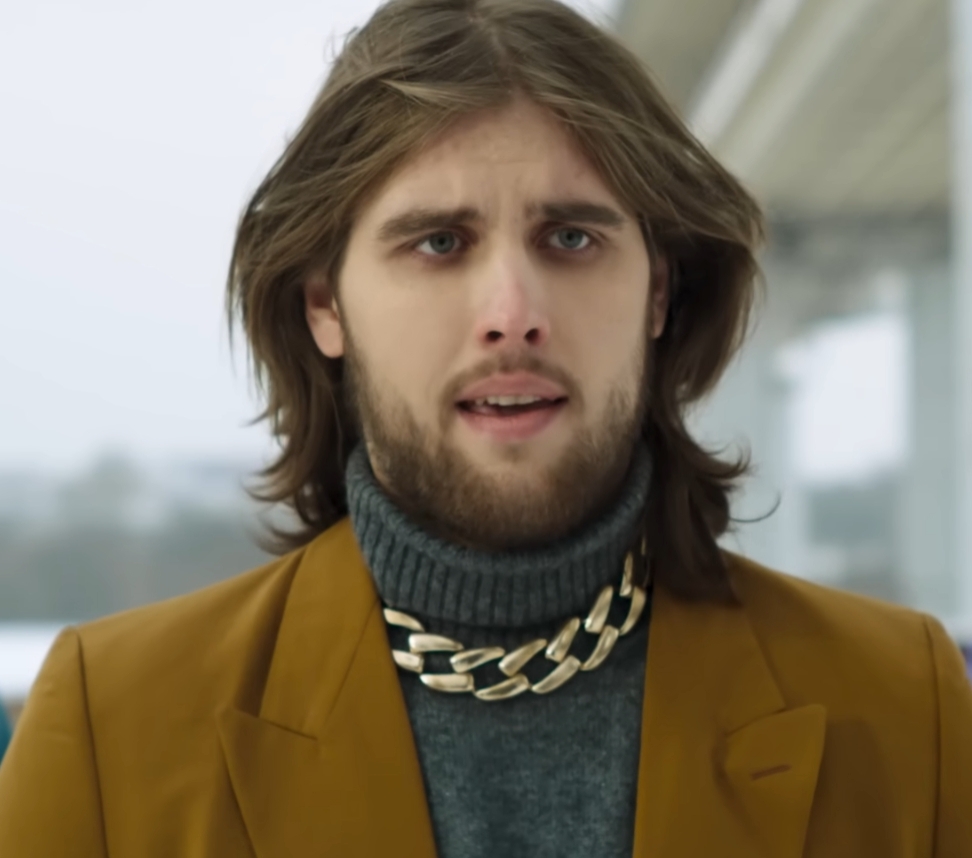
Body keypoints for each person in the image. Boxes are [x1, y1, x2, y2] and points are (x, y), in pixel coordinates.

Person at [1, 0, 970, 854]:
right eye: (439, 243)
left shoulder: (905, 709)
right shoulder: (112, 730)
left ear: (659, 293)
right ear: (325, 305)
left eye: (571, 238)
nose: (512, 312)